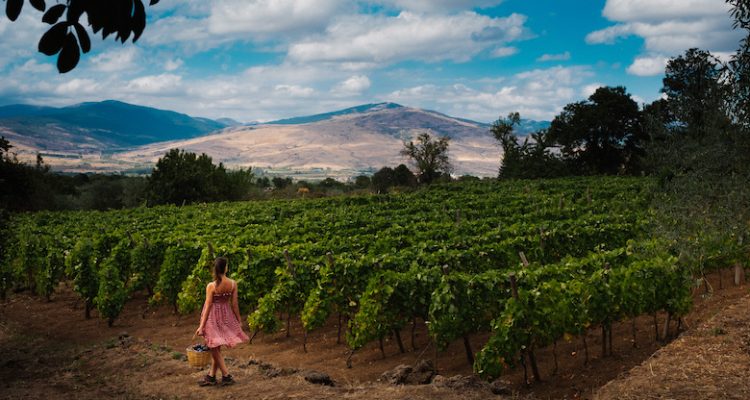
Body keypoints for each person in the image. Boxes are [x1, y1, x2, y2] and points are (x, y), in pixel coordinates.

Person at [195, 257, 249, 386]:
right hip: (226, 316)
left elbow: (208, 306)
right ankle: (211, 376)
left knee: (213, 346)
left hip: (212, 317)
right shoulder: (232, 283)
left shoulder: (211, 286)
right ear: (225, 268)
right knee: (216, 346)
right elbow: (234, 304)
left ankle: (226, 375)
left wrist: (201, 326)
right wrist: (238, 319)